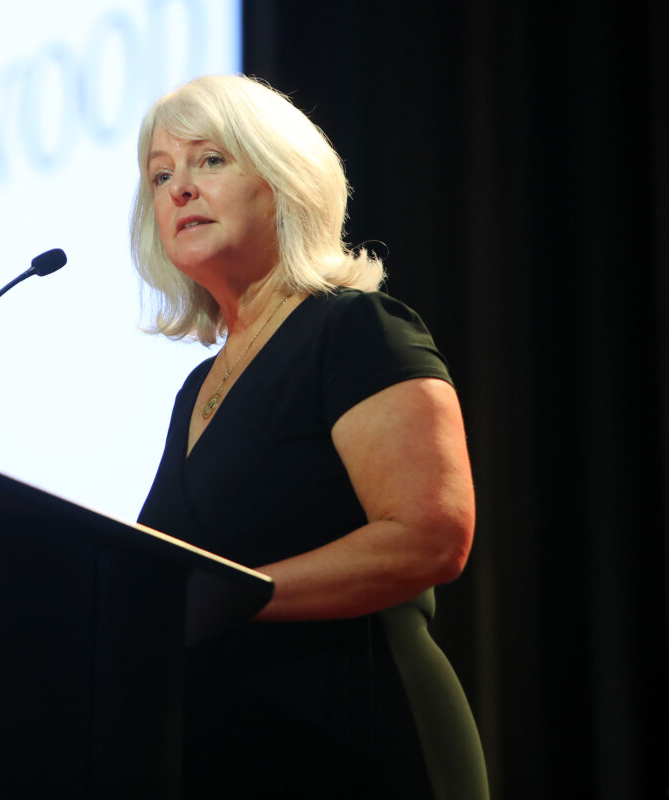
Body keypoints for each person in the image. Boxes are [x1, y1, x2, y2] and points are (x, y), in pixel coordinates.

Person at [132, 75, 489, 798]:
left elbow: (430, 535)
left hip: (358, 729)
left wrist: (238, 596)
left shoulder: (354, 330)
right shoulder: (193, 395)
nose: (178, 190)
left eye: (210, 161)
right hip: (235, 755)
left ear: (284, 180)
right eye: (161, 175)